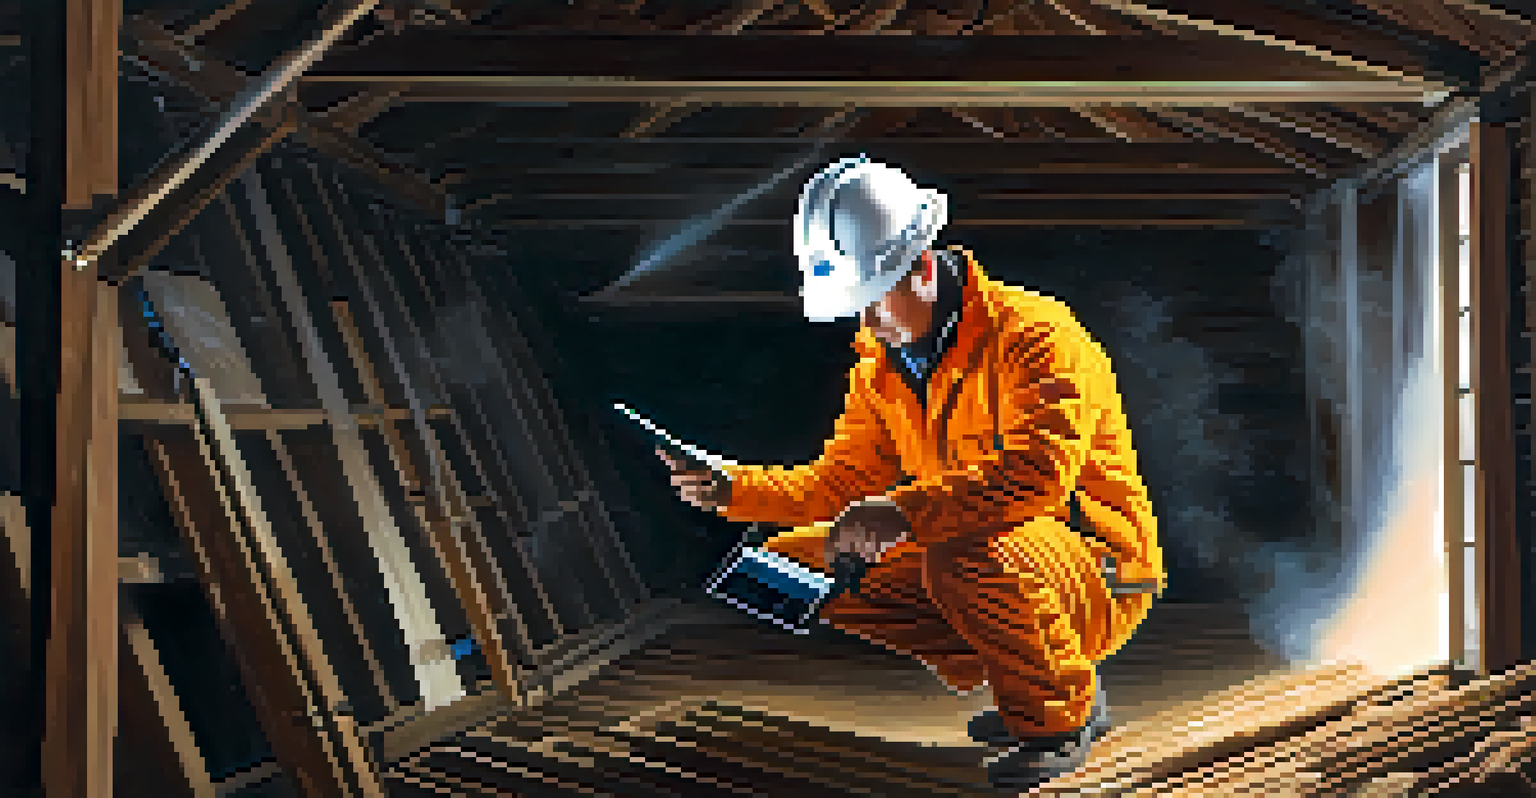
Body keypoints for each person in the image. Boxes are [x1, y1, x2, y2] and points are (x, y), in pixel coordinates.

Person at [656, 155, 1165, 792]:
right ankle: (1024, 671)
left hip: (1097, 571)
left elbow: (1037, 479)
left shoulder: (1037, 336)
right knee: (798, 565)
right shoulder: (883, 363)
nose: (866, 326)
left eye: (871, 303)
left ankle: (1060, 717)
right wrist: (736, 488)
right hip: (982, 554)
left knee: (965, 561)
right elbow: (840, 483)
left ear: (921, 267)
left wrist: (901, 512)